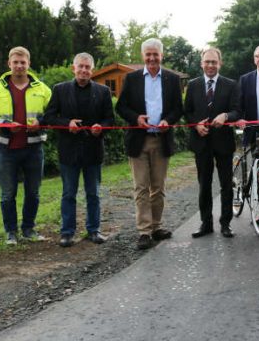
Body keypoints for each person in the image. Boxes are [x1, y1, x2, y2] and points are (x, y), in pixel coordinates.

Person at [116, 38, 184, 250]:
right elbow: (121, 107)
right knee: (141, 187)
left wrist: (168, 121)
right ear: (143, 56)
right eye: (148, 54)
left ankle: (156, 227)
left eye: (156, 54)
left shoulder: (173, 79)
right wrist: (136, 118)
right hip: (139, 140)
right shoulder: (132, 78)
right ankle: (144, 231)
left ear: (162, 56)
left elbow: (178, 109)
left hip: (161, 140)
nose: (152, 58)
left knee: (159, 188)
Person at [44, 53, 115, 247]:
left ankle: (94, 230)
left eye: (88, 67)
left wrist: (101, 127)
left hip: (93, 150)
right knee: (69, 194)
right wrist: (67, 123)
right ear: (73, 68)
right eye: (81, 67)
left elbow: (110, 119)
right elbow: (49, 117)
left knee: (93, 194)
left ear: (92, 70)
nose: (84, 70)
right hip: (69, 151)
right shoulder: (60, 89)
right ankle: (67, 232)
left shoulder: (103, 91)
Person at [0, 46, 51, 245]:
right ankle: (11, 232)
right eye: (16, 62)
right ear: (9, 64)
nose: (19, 66)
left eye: (23, 62)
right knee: (7, 194)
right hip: (6, 149)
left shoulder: (42, 89)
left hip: (33, 148)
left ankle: (29, 229)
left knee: (33, 192)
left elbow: (54, 112)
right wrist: (4, 125)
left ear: (29, 64)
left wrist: (41, 122)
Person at [184, 48, 241, 238]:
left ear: (220, 63)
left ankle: (226, 224)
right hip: (201, 142)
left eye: (214, 62)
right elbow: (187, 112)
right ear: (201, 63)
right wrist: (196, 125)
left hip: (223, 142)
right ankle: (205, 223)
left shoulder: (231, 85)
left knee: (226, 184)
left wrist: (226, 116)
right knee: (204, 184)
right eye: (207, 62)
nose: (210, 65)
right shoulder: (192, 85)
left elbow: (237, 111)